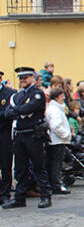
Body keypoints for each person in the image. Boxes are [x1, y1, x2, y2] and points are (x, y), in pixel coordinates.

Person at [2, 66, 52, 209]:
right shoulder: (17, 96)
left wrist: (16, 110)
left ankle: (45, 196)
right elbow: (7, 113)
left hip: (33, 134)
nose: (22, 80)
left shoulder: (37, 94)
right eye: (20, 78)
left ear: (32, 78)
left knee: (38, 166)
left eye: (25, 78)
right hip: (20, 134)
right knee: (20, 168)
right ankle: (19, 198)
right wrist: (19, 110)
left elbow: (28, 108)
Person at [45, 87, 72, 195]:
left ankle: (54, 183)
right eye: (62, 95)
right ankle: (56, 185)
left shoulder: (54, 108)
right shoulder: (55, 110)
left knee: (54, 163)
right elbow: (55, 126)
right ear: (56, 97)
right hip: (57, 140)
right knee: (56, 163)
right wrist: (66, 134)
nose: (64, 97)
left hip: (55, 140)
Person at [0, 71, 17, 206]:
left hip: (4, 133)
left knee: (6, 165)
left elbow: (8, 113)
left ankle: (5, 194)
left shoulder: (9, 93)